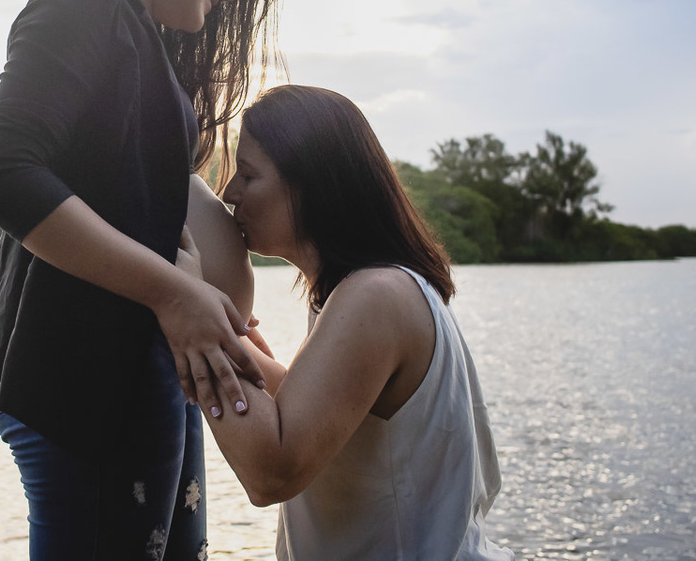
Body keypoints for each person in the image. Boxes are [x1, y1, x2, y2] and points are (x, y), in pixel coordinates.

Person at [0, 0, 281, 560]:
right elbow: (2, 171)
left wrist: (204, 293)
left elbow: (143, 189)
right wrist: (174, 294)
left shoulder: (139, 37)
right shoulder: (81, 3)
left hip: (136, 383)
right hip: (81, 390)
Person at [181, 85, 513, 560]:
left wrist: (196, 321)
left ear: (312, 184)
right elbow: (307, 407)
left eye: (249, 175)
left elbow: (271, 472)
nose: (230, 193)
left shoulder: (376, 296)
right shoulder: (357, 292)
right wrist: (234, 338)